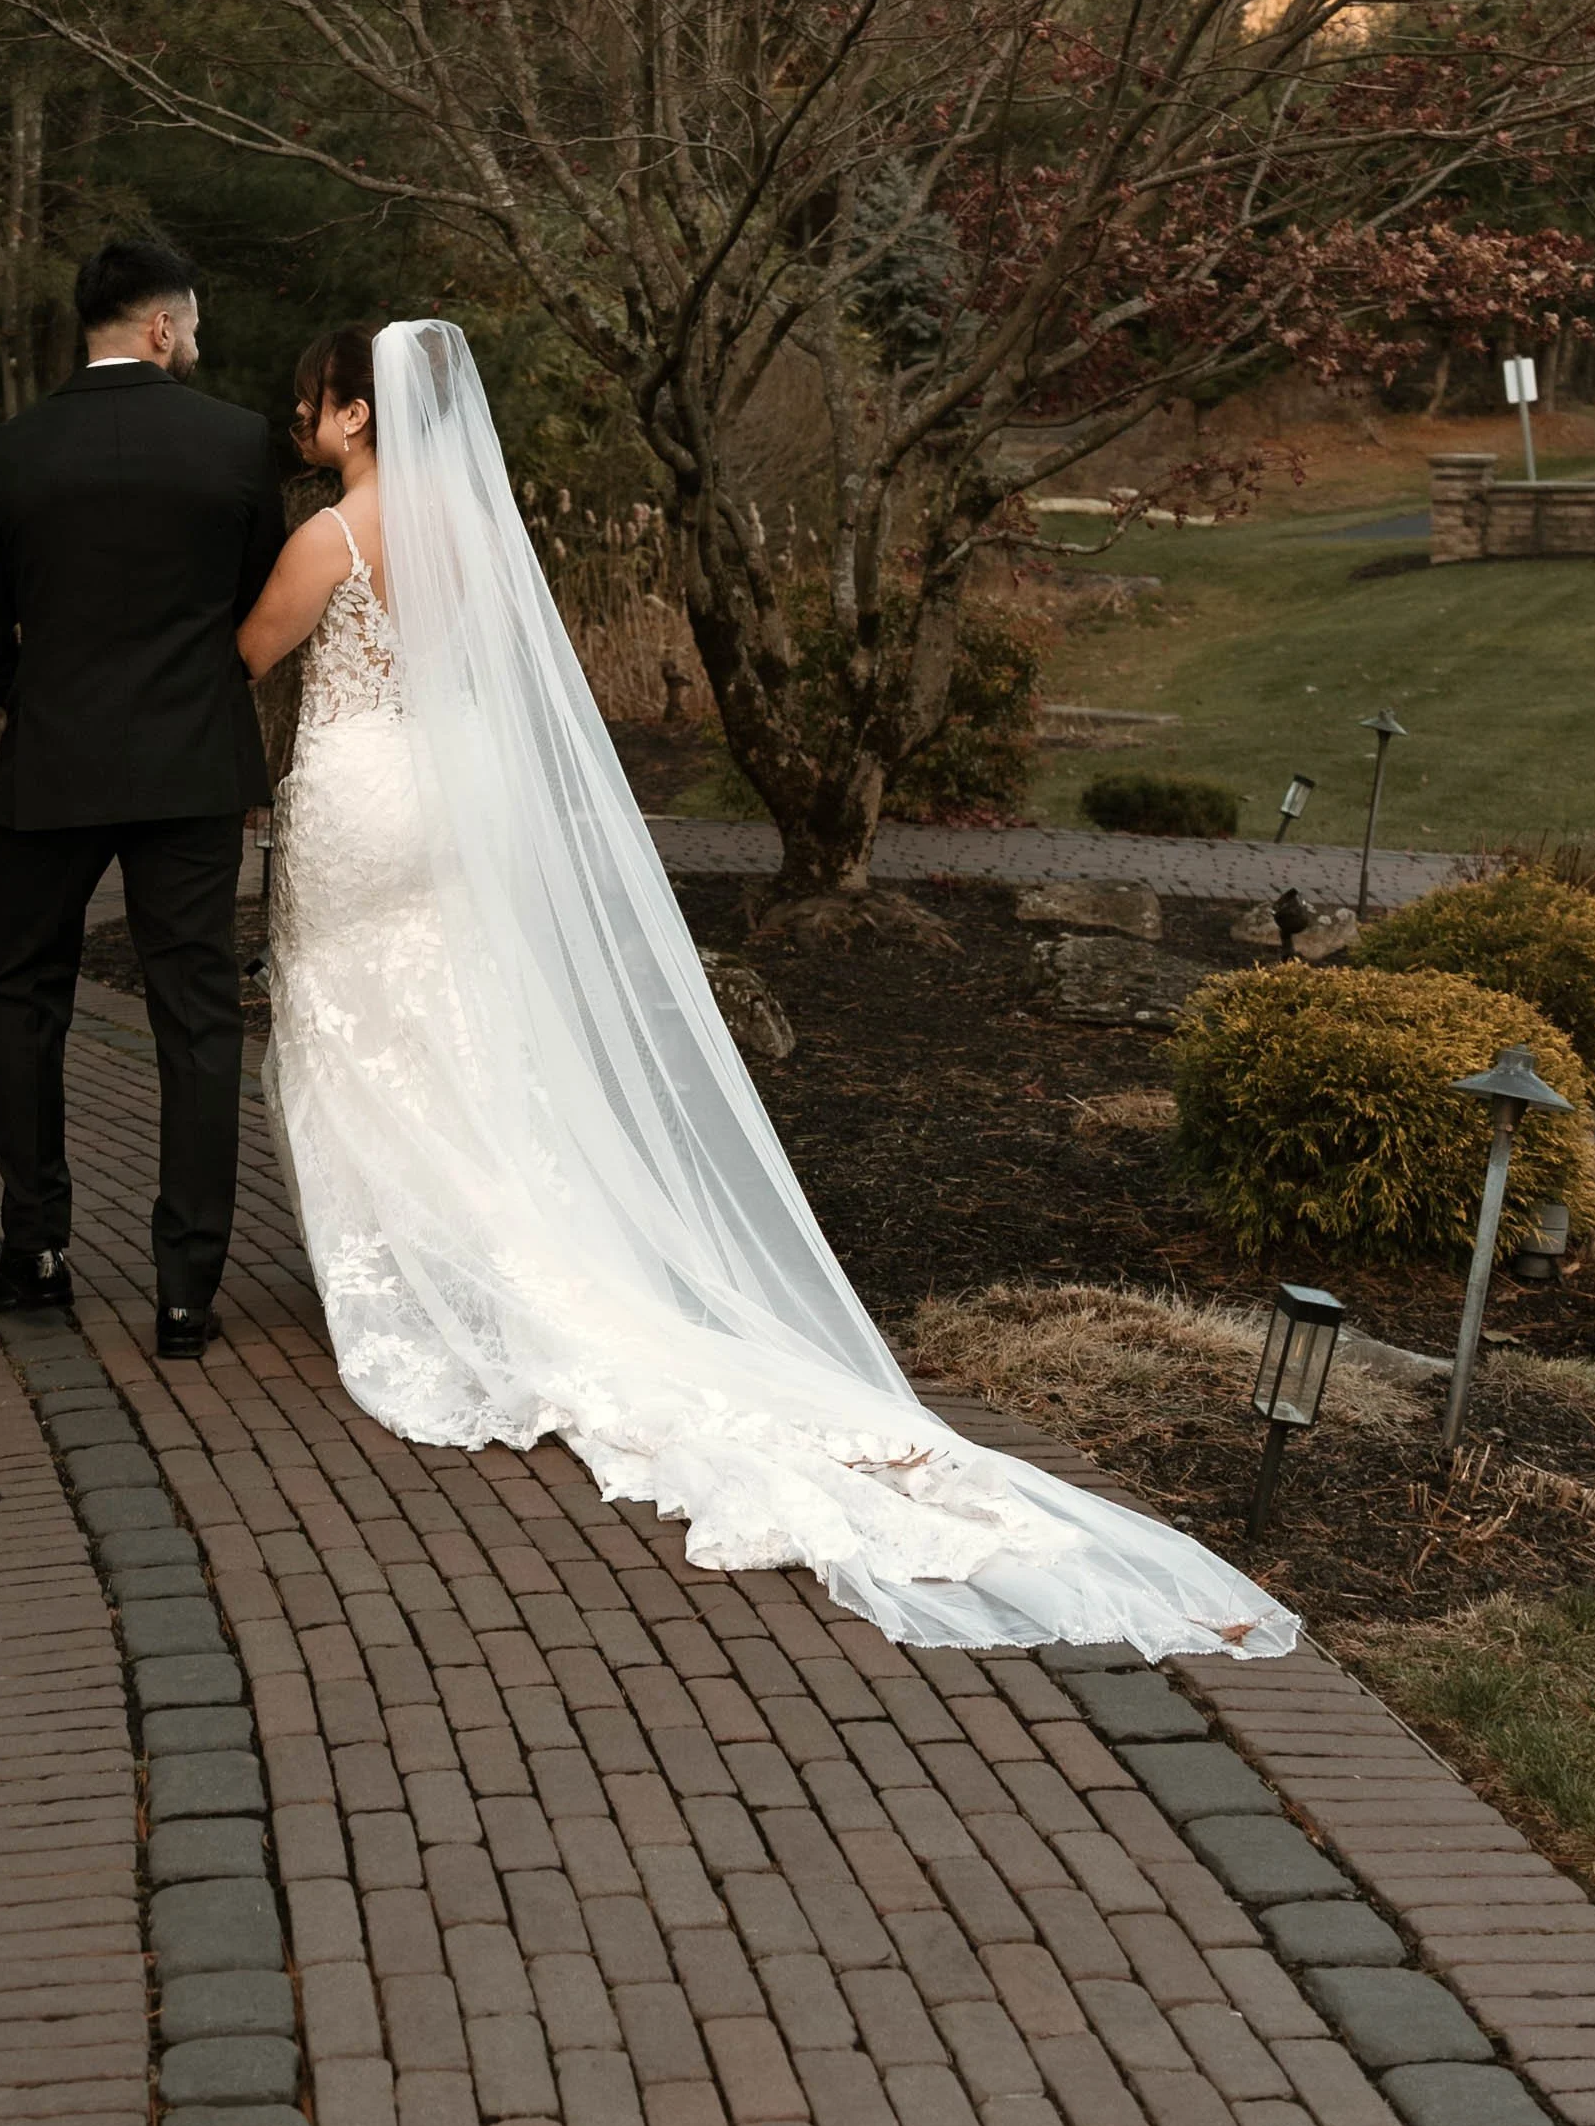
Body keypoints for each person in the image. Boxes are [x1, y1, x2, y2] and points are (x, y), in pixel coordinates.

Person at [240, 317, 1297, 1658]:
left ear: (361, 417)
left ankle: (418, 1273)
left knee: (353, 1032)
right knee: (445, 1031)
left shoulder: (326, 543)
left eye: (313, 404)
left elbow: (251, 654)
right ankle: (488, 1251)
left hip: (360, 808)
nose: (301, 422)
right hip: (445, 807)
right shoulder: (463, 543)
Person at [0, 235, 284, 1355]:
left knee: (24, 1001)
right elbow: (249, 612)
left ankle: (35, 1250)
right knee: (197, 1018)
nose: (198, 342)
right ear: (159, 326)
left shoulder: (6, 454)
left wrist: (50, 706)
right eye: (192, 325)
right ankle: (186, 1290)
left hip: (51, 769)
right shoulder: (238, 445)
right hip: (192, 769)